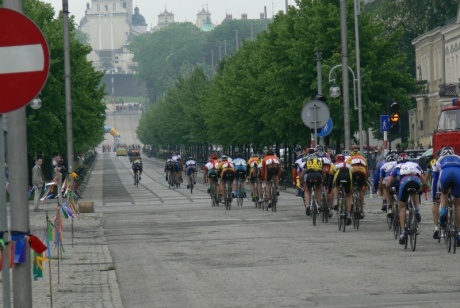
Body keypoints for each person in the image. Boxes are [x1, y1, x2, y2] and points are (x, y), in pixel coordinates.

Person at [386, 153, 428, 245]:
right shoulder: (416, 165)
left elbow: (388, 184)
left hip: (404, 182)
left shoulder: (397, 167)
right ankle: (417, 211)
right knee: (416, 193)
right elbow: (425, 183)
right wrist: (421, 190)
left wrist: (389, 192)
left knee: (403, 206)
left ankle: (403, 232)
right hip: (416, 181)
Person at [431, 146, 460, 243]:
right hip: (458, 175)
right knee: (457, 205)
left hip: (445, 174)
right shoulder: (458, 158)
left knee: (443, 192)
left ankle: (443, 209)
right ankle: (459, 233)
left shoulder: (438, 160)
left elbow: (435, 180)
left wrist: (435, 195)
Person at [328, 154, 353, 225]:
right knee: (348, 196)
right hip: (348, 178)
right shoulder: (348, 164)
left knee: (336, 185)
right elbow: (352, 175)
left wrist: (329, 189)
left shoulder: (334, 165)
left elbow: (330, 178)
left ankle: (336, 200)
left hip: (339, 177)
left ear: (337, 159)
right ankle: (348, 214)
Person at [346, 150, 368, 219]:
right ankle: (361, 209)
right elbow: (366, 170)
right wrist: (365, 181)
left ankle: (351, 201)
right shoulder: (363, 158)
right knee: (360, 189)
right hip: (362, 172)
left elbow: (346, 169)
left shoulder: (349, 159)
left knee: (350, 189)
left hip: (353, 171)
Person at [379, 152, 398, 216]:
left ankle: (389, 206)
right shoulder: (397, 163)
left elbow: (381, 180)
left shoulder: (384, 165)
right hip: (397, 178)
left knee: (385, 189)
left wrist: (380, 188)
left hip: (388, 179)